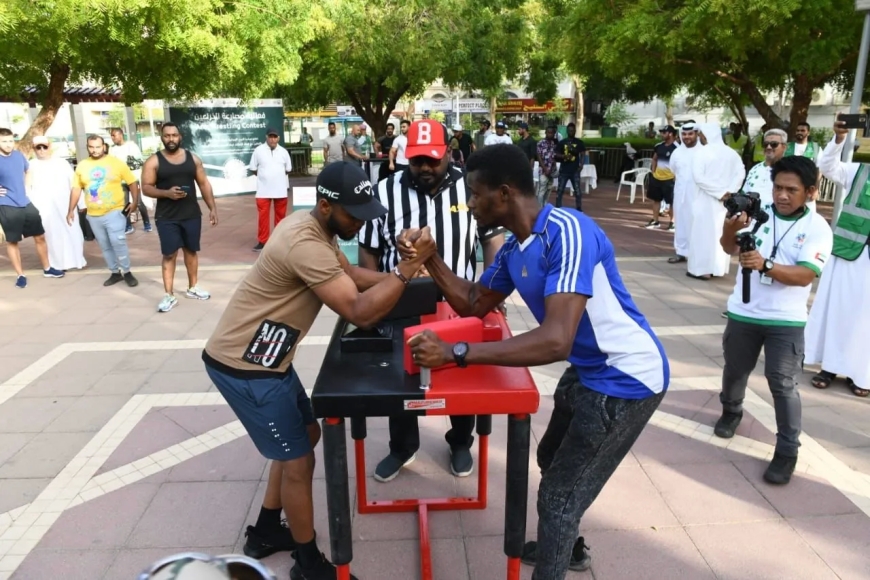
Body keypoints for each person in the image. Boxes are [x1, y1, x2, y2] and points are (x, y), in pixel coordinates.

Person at [403, 144, 668, 580]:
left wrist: (456, 354)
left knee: (558, 499)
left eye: (475, 194)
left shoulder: (568, 232)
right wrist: (429, 258)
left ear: (504, 194)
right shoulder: (514, 248)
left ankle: (558, 553)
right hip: (588, 371)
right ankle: (569, 549)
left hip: (627, 378)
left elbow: (555, 340)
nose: (469, 204)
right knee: (550, 458)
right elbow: (474, 302)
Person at [202, 161, 435, 580]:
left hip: (269, 360)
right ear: (326, 206)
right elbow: (359, 311)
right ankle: (307, 565)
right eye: (354, 214)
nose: (361, 223)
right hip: (244, 366)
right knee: (298, 462)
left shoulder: (311, 228)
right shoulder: (304, 244)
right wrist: (403, 273)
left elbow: (350, 274)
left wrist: (403, 276)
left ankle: (267, 531)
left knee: (305, 437)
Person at [358, 119, 505, 482]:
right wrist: (372, 296)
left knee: (462, 370)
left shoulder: (470, 188)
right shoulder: (386, 190)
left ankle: (459, 441)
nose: (425, 167)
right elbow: (369, 248)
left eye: (433, 160)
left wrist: (493, 289)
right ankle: (402, 446)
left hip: (460, 301)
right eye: (418, 160)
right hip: (402, 300)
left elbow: (492, 239)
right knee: (403, 376)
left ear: (448, 155)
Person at [715, 156, 832, 484]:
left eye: (791, 190)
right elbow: (728, 249)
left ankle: (787, 450)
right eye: (778, 187)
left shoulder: (817, 227)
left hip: (786, 320)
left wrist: (766, 266)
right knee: (735, 369)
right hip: (743, 311)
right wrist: (730, 229)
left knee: (783, 384)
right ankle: (731, 411)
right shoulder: (757, 212)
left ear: (810, 192)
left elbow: (806, 275)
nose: (782, 195)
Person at [805, 120, 870, 398]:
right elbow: (828, 166)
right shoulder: (859, 171)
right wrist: (839, 138)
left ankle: (862, 374)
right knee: (839, 311)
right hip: (849, 252)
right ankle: (830, 367)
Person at [141, 122, 218, 313]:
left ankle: (193, 287)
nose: (171, 139)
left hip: (191, 214)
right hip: (166, 217)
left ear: (180, 136)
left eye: (174, 135)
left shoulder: (193, 159)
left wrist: (212, 208)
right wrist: (166, 193)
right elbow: (146, 187)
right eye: (167, 136)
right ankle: (169, 295)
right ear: (162, 137)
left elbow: (204, 184)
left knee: (191, 251)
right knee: (169, 254)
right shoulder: (153, 161)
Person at [67, 135, 139, 287]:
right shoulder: (82, 166)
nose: (94, 150)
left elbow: (132, 182)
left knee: (117, 242)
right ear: (87, 147)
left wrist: (135, 202)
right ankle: (115, 273)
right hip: (93, 214)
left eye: (98, 146)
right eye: (91, 147)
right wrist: (70, 210)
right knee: (105, 245)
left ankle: (127, 272)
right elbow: (76, 189)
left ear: (104, 146)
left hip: (115, 210)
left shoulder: (116, 163)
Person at [0, 128, 65, 287]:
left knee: (40, 236)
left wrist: (26, 187)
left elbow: (28, 170)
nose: (8, 144)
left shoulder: (18, 155)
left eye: (10, 141)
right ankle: (20, 275)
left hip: (25, 202)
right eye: (4, 141)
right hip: (7, 204)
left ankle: (48, 268)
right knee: (13, 241)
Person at [687, 124, 745, 280]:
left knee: (702, 235)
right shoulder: (732, 153)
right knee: (721, 232)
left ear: (706, 135)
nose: (700, 138)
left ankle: (700, 270)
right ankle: (717, 269)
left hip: (706, 200)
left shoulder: (701, 153)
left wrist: (721, 193)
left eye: (701, 135)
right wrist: (730, 192)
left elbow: (699, 178)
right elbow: (741, 173)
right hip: (725, 203)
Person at [28, 136, 86, 271]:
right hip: (43, 207)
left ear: (49, 146)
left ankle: (76, 260)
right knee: (51, 236)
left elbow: (75, 184)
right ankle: (56, 264)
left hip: (66, 205)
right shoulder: (31, 165)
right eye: (38, 147)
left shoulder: (62, 163)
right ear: (34, 149)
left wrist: (81, 203)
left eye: (44, 147)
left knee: (72, 232)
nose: (42, 150)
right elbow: (27, 188)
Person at [249, 127, 292, 252]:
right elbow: (253, 168)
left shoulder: (284, 152)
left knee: (280, 217)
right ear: (266, 137)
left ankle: (279, 241)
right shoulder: (258, 151)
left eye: (275, 137)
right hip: (263, 190)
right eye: (270, 137)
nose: (273, 139)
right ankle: (263, 242)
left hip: (281, 190)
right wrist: (264, 176)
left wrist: (275, 176)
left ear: (278, 138)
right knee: (263, 216)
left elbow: (288, 169)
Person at [667, 123, 701, 263]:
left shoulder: (704, 152)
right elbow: (673, 170)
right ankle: (681, 252)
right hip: (680, 194)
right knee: (680, 222)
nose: (687, 137)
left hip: (698, 195)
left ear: (696, 134)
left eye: (690, 134)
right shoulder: (677, 152)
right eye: (684, 134)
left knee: (696, 223)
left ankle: (696, 254)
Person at [109, 127, 152, 234]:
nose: (112, 138)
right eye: (111, 136)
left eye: (114, 135)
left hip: (133, 179)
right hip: (120, 181)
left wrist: (125, 164)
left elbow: (139, 161)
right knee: (125, 204)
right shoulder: (112, 149)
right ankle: (128, 226)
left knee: (138, 202)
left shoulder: (131, 146)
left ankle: (147, 223)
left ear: (120, 135)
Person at [643, 125, 678, 231]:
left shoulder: (677, 148)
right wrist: (653, 172)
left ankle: (673, 222)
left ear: (670, 133)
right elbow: (654, 159)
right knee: (656, 200)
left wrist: (676, 177)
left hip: (670, 179)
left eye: (664, 132)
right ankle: (655, 221)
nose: (662, 134)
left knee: (672, 202)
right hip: (657, 178)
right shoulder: (659, 146)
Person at [553, 123, 586, 210]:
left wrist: (581, 165)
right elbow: (556, 154)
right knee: (560, 190)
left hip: (575, 170)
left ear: (575, 131)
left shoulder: (579, 142)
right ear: (567, 131)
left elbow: (583, 153)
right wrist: (564, 156)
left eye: (572, 130)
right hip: (564, 170)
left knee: (578, 191)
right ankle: (558, 207)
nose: (571, 132)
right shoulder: (562, 142)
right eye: (569, 130)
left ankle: (579, 208)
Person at [536, 126, 558, 204]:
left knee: (548, 190)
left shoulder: (553, 143)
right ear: (545, 133)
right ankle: (539, 209)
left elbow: (553, 156)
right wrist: (545, 169)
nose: (550, 134)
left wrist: (554, 168)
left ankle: (544, 207)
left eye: (552, 133)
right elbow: (539, 157)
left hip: (551, 172)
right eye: (548, 132)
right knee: (541, 191)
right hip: (543, 171)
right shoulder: (540, 143)